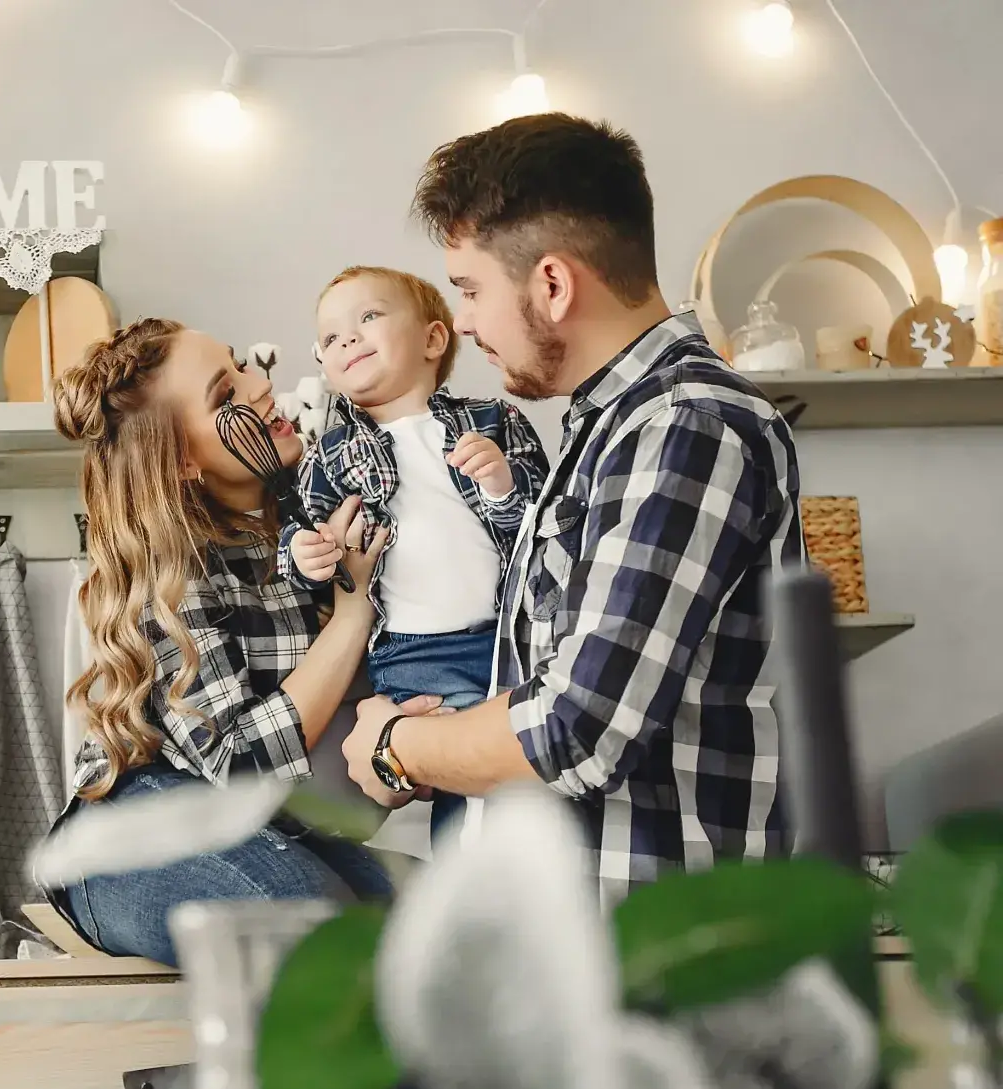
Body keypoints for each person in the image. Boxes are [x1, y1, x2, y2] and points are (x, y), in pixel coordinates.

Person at [342, 112, 803, 901]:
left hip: (652, 958)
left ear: (551, 285)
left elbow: (575, 728)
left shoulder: (685, 424)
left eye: (471, 289)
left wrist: (398, 745)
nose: (463, 322)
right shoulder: (612, 428)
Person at [43, 317, 417, 969]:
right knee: (319, 934)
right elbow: (240, 764)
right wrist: (352, 615)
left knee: (436, 934)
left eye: (243, 365)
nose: (259, 385)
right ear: (184, 461)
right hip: (138, 827)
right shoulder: (173, 571)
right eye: (225, 394)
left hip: (263, 827)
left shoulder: (315, 535)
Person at [280, 266, 549, 845]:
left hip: (509, 637)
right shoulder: (328, 455)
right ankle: (468, 890)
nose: (347, 339)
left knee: (528, 771)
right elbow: (300, 537)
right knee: (464, 775)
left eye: (368, 317)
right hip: (416, 653)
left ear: (432, 339)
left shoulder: (493, 421)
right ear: (325, 366)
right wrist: (305, 555)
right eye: (330, 338)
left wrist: (502, 485)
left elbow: (544, 531)